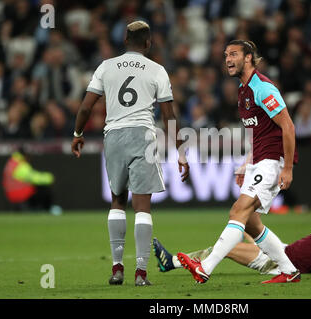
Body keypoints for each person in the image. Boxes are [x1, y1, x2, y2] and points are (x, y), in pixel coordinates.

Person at [71, 21, 189, 287]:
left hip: (113, 136)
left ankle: (116, 269)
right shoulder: (157, 70)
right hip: (143, 136)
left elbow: (86, 107)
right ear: (148, 43)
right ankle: (140, 274)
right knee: (142, 206)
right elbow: (169, 115)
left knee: (117, 201)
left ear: (125, 40)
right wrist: (181, 152)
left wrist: (78, 134)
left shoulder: (105, 66)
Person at [177, 40, 300, 284]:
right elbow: (259, 132)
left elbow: (288, 125)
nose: (228, 59)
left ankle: (205, 267)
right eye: (225, 55)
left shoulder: (263, 88)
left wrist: (287, 167)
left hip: (273, 161)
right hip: (260, 160)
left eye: (233, 54)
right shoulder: (243, 90)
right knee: (251, 223)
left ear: (248, 58)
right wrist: (247, 162)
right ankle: (289, 270)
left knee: (238, 211)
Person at [155, 194, 311, 278]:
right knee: (248, 225)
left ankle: (172, 262)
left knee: (228, 247)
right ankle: (173, 261)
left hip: (281, 261)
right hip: (283, 251)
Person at [2, 147, 61, 215]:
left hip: (10, 194)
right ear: (25, 155)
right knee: (44, 189)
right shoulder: (19, 165)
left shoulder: (11, 162)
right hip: (20, 194)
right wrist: (49, 177)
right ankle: (48, 209)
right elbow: (34, 178)